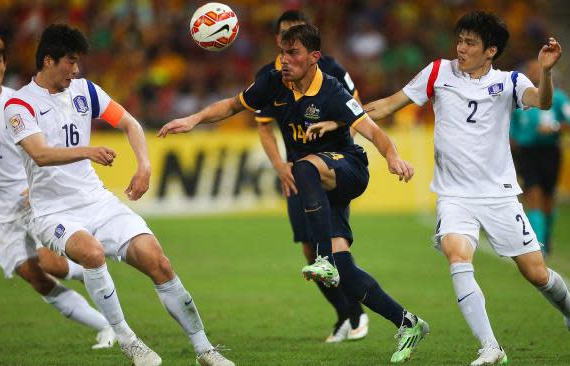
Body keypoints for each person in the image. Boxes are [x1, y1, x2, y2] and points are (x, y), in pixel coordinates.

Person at [160, 24, 429, 363]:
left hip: (348, 169)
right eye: (283, 53)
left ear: (314, 57)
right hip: (320, 181)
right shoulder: (274, 83)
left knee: (302, 167)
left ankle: (323, 261)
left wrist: (393, 158)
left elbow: (373, 132)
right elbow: (231, 106)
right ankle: (408, 323)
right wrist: (194, 118)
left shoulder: (331, 91)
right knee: (347, 271)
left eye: (293, 53)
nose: (285, 60)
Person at [364, 11, 570, 365]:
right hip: (455, 194)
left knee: (536, 273)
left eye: (470, 43)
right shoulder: (437, 73)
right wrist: (348, 117)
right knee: (457, 256)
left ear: (490, 51)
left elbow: (544, 102)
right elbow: (387, 104)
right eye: (459, 40)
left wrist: (546, 71)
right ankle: (491, 346)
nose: (461, 48)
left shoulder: (510, 82)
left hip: (499, 194)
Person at [3, 24, 233, 366]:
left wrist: (144, 166)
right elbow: (40, 154)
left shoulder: (86, 91)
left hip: (97, 201)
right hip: (54, 211)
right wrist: (87, 150)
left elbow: (130, 123)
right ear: (48, 60)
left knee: (158, 261)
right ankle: (129, 341)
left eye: (78, 61)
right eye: (70, 61)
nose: (76, 69)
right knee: (92, 254)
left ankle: (204, 349)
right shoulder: (19, 104)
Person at [0, 30, 115, 350]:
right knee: (36, 278)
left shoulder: (19, 102)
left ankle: (96, 286)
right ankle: (102, 320)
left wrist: (33, 186)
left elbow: (47, 149)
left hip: (32, 197)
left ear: (5, 66)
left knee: (48, 262)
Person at [254, 10, 368, 343]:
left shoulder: (331, 71)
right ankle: (345, 313)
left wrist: (339, 135)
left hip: (330, 165)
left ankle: (360, 312)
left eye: (296, 40)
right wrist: (279, 165)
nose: (289, 49)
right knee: (309, 251)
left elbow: (358, 110)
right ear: (277, 41)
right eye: (284, 40)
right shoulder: (270, 77)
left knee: (334, 243)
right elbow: (263, 129)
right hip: (295, 171)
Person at [510, 59, 570, 255]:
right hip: (527, 153)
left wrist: (555, 127)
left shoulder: (558, 98)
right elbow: (510, 128)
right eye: (530, 69)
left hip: (550, 152)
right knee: (533, 194)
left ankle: (546, 236)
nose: (533, 72)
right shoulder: (519, 98)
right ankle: (537, 244)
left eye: (537, 69)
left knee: (548, 197)